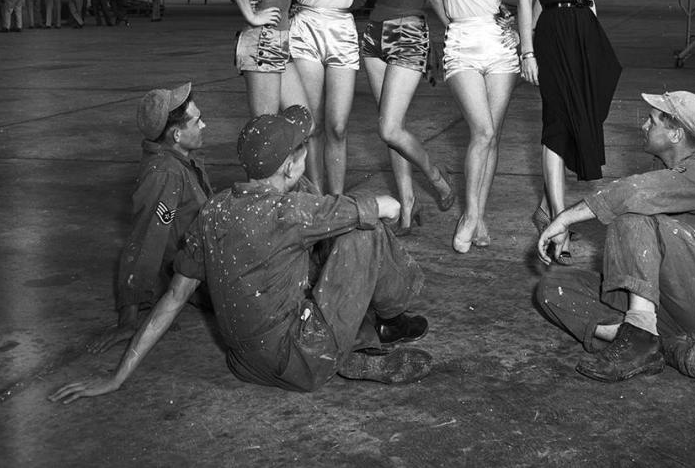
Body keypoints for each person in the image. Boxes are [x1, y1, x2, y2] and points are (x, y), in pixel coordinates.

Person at [50, 106, 433, 402]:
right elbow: (390, 208)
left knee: (317, 241)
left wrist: (117, 377)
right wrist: (354, 207)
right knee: (363, 232)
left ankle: (356, 340)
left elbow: (172, 299)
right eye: (301, 151)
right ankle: (389, 317)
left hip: (247, 366)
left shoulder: (213, 210)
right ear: (287, 166)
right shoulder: (293, 211)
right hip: (300, 360)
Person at [535, 91, 695, 382]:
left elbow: (631, 193)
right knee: (552, 289)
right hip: (674, 302)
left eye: (652, 120)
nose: (643, 126)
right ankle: (658, 342)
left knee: (632, 217)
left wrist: (564, 218)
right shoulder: (670, 167)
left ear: (675, 134)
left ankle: (639, 336)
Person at [516, 0, 621, 264]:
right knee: (558, 120)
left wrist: (596, 40)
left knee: (592, 106)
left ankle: (547, 204)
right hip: (554, 32)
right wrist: (527, 51)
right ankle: (557, 220)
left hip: (585, 29)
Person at [358, 0, 455, 235]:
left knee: (388, 127)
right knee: (389, 129)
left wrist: (454, 23)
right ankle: (408, 206)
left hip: (409, 33)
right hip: (372, 36)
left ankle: (435, 175)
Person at [87, 82, 213, 354]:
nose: (204, 126)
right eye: (198, 121)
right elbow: (145, 241)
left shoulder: (181, 160)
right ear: (177, 135)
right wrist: (129, 318)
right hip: (200, 271)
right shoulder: (165, 175)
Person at [429, 0, 519, 253]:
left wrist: (517, 29)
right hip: (460, 39)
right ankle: (469, 214)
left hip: (499, 46)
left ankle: (479, 214)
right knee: (481, 129)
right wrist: (451, 25)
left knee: (492, 135)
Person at [290, 0, 371, 194]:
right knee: (311, 125)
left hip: (342, 29)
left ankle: (336, 202)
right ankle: (316, 199)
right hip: (307, 27)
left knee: (338, 127)